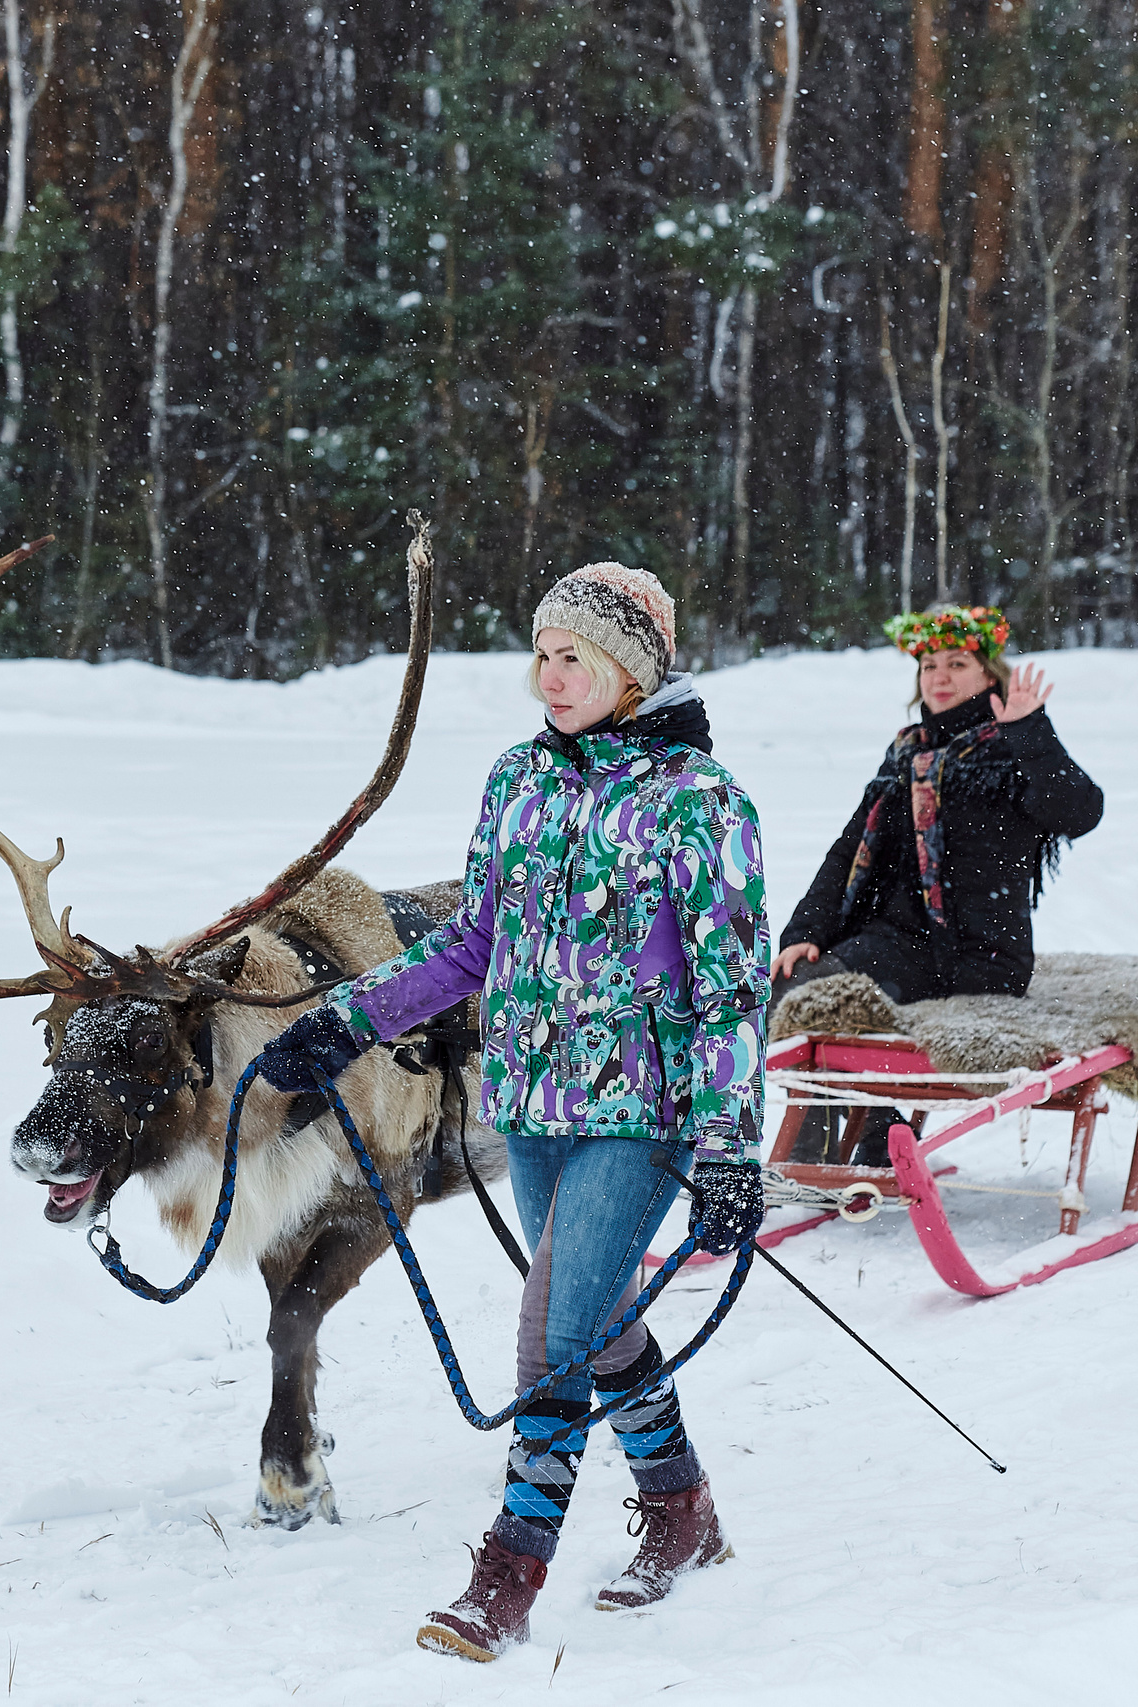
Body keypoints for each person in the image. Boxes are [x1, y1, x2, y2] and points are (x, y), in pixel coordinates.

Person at [254, 563, 770, 1663]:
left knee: (550, 1331)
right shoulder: (516, 782)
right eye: (542, 652)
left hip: (642, 1115)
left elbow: (730, 991)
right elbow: (471, 947)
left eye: (574, 655)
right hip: (531, 1104)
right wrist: (346, 1021)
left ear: (631, 670)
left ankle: (507, 1573)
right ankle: (681, 1509)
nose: (550, 674)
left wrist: (729, 1145)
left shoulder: (703, 805)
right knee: (596, 1316)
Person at [771, 606, 1102, 1161]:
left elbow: (1079, 811)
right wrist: (807, 930)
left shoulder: (1011, 748)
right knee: (794, 983)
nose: (939, 677)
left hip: (980, 956)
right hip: (901, 945)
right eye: (928, 666)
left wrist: (1030, 731)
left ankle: (832, 1140)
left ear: (989, 675)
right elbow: (850, 849)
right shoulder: (908, 753)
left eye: (957, 663)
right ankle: (866, 1132)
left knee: (819, 996)